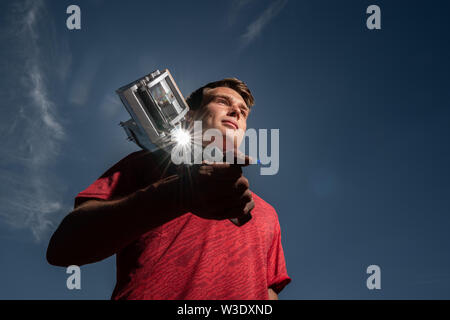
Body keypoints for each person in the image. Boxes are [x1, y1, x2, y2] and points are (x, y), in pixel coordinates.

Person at [46, 77, 291, 300]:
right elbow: (64, 249)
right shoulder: (147, 164)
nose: (235, 111)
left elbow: (267, 290)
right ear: (189, 115)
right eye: (222, 101)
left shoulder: (267, 213)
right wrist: (176, 195)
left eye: (243, 112)